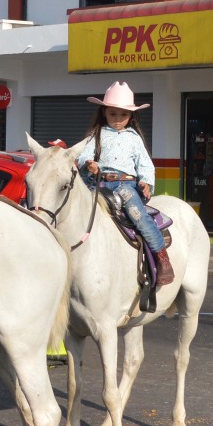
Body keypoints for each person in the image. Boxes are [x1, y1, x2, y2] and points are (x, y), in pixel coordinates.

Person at [76, 81, 174, 286]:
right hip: (99, 184)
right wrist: (89, 164)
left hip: (126, 186)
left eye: (123, 115)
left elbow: (145, 165)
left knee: (139, 217)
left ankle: (162, 258)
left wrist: (146, 182)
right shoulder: (97, 135)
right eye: (113, 114)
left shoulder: (134, 138)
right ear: (104, 112)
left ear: (131, 116)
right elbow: (84, 156)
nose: (118, 119)